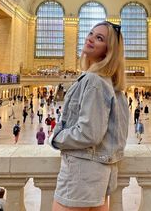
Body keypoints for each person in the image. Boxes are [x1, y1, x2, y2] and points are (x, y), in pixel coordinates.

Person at [49, 21, 129, 211]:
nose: (91, 38)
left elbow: (89, 133)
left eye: (99, 38)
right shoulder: (109, 83)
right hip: (97, 176)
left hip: (80, 177)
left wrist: (58, 138)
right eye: (91, 33)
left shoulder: (94, 81)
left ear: (108, 51)